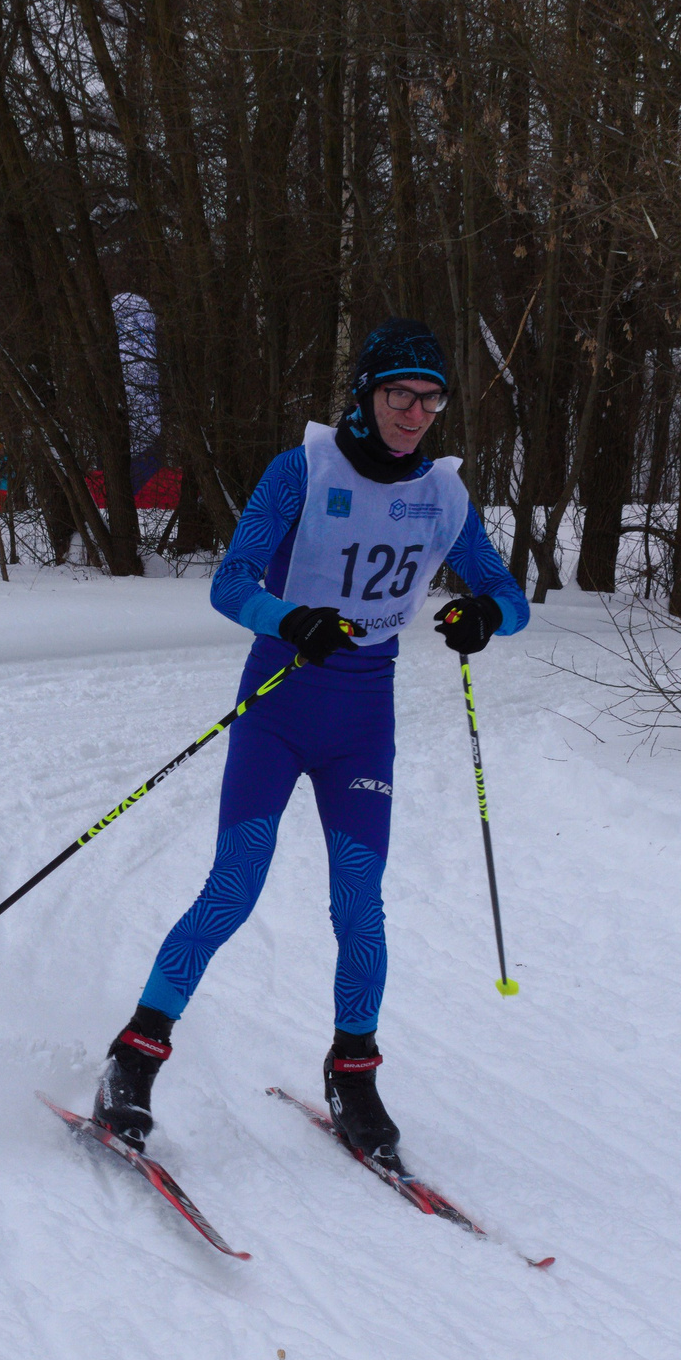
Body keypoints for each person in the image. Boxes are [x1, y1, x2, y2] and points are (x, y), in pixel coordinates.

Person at [89, 318, 529, 1169]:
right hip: (281, 703)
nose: (415, 413)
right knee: (234, 887)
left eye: (431, 399)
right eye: (400, 394)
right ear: (366, 394)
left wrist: (485, 614)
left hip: (364, 722)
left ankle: (353, 1076)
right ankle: (132, 1060)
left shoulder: (444, 495)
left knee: (360, 905)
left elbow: (509, 596)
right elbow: (230, 583)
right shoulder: (302, 471)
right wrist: (291, 619)